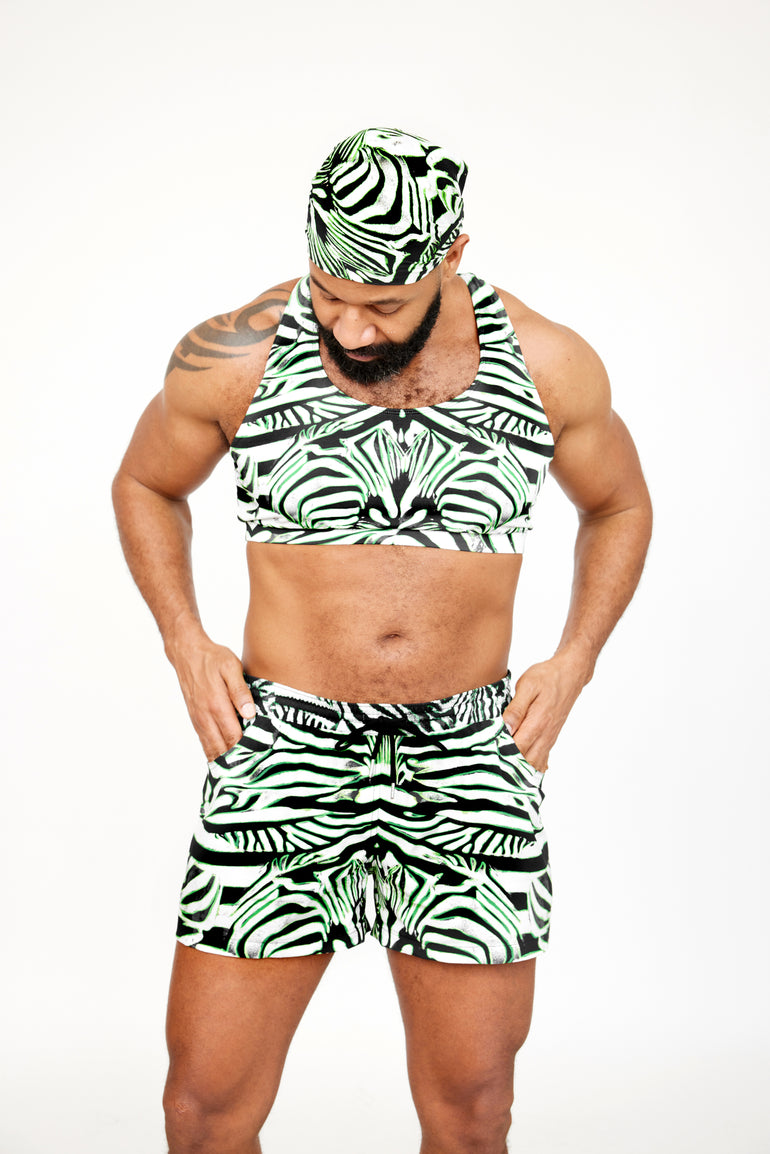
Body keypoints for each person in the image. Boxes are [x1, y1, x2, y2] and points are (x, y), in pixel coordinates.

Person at [112, 127, 652, 1154]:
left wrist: (574, 656)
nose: (351, 327)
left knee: (473, 1111)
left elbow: (619, 504)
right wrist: (185, 638)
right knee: (203, 1108)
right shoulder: (236, 352)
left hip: (467, 757)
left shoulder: (546, 363)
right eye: (330, 293)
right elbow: (145, 482)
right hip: (284, 749)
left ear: (452, 255)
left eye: (384, 304)